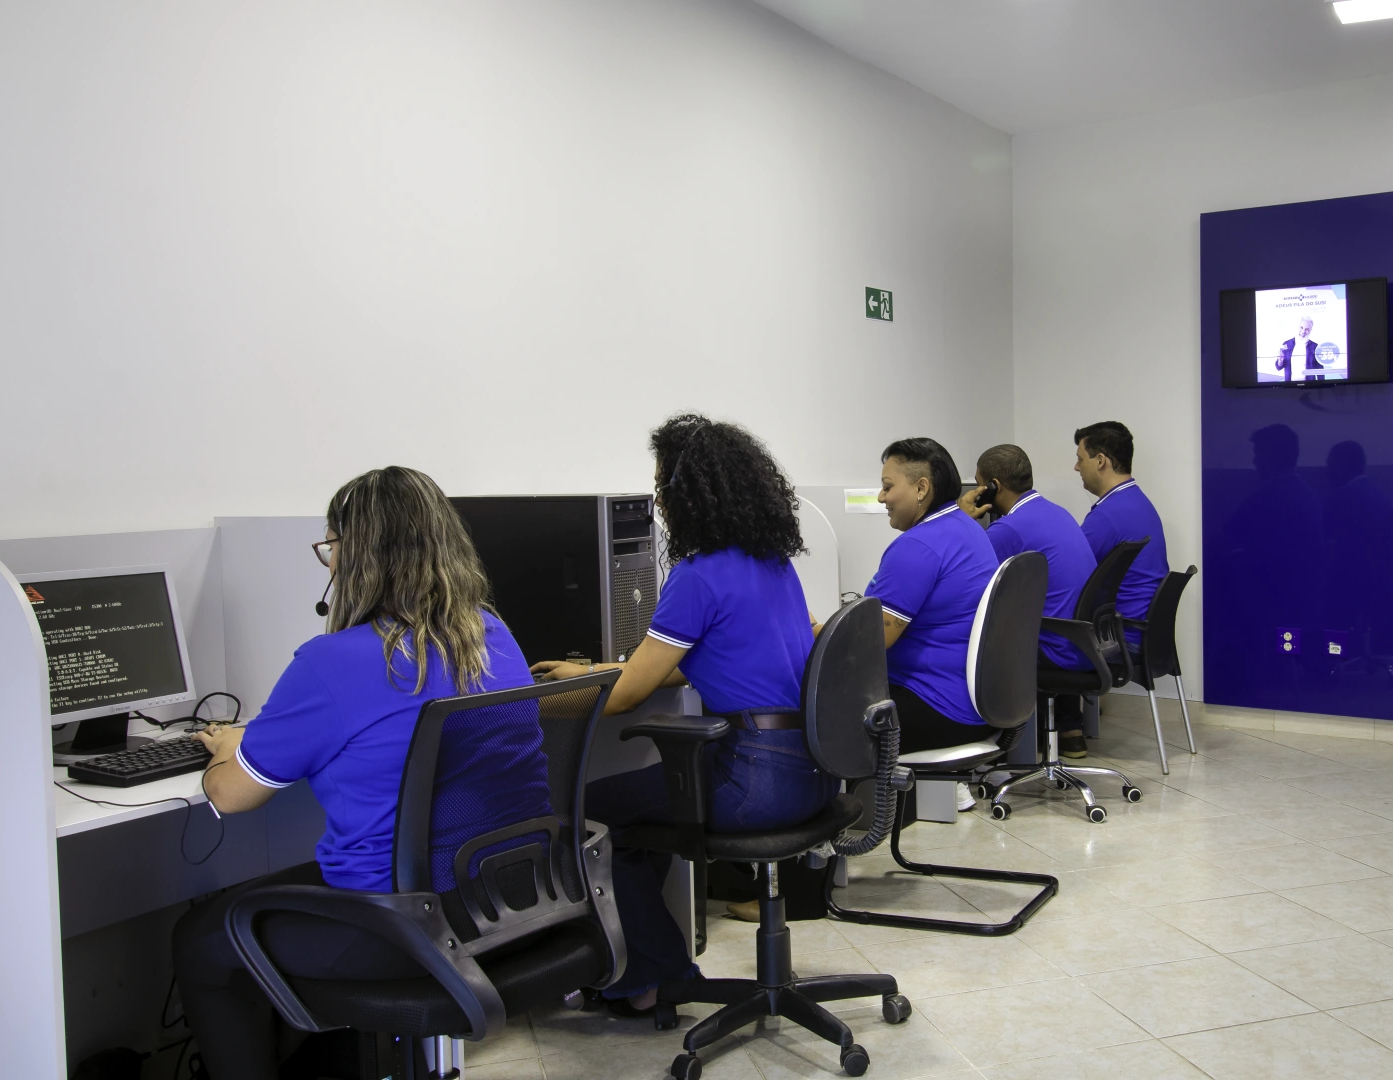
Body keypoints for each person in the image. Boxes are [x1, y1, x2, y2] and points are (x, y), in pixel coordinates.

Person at [174, 466, 549, 1080]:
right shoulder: (490, 632)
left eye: (331, 547)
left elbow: (231, 795)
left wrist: (227, 747)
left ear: (358, 557)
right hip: (508, 899)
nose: (330, 562)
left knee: (201, 940)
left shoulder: (331, 663)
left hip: (402, 925)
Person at [530, 414, 836, 1015]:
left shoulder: (697, 576)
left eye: (661, 487)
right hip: (813, 772)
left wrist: (530, 697)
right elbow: (683, 664)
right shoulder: (774, 563)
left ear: (685, 494)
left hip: (754, 781)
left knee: (591, 815)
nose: (660, 503)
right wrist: (594, 669)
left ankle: (649, 978)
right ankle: (653, 966)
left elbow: (626, 698)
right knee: (641, 818)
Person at [869, 438, 999, 791]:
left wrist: (812, 629)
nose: (881, 497)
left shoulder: (917, 546)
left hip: (937, 706)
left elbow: (871, 640)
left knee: (816, 716)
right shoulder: (968, 529)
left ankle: (851, 815)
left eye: (887, 487)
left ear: (921, 488)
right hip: (979, 703)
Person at [960, 443, 1097, 756]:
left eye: (980, 484)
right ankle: (1068, 729)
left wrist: (963, 520)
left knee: (967, 642)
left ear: (994, 486)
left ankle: (986, 744)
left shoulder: (1008, 529)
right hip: (1084, 643)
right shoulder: (1057, 512)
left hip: (1056, 651)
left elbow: (963, 579)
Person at [1073, 421, 1170, 753]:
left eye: (1080, 458)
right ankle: (1071, 729)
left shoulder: (1108, 516)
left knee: (1040, 634)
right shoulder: (1138, 502)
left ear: (1100, 460)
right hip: (1147, 635)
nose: (1076, 467)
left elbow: (1071, 572)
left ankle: (1066, 731)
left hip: (1120, 641)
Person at [1277, 316, 1323, 381]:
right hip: (1290, 385)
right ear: (1298, 327)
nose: (1303, 331)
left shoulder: (1315, 347)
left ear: (1310, 331)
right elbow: (1279, 367)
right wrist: (1280, 361)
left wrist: (1321, 386)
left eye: (1307, 329)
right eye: (1301, 327)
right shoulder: (1286, 344)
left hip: (1310, 385)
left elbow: (1320, 371)